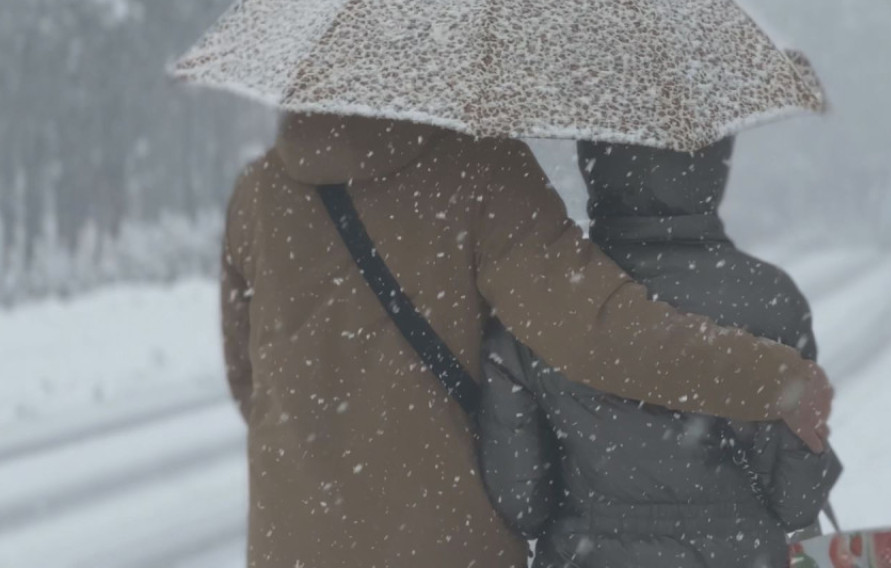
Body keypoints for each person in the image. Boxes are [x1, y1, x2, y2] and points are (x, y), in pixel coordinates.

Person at [220, 112, 833, 568]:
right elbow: (599, 333)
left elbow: (249, 378)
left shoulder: (258, 191)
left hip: (291, 541)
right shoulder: (478, 168)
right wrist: (773, 380)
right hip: (447, 545)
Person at [478, 138, 841, 568]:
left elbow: (522, 504)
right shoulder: (769, 299)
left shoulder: (546, 302)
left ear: (593, 161)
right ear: (711, 165)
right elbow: (795, 504)